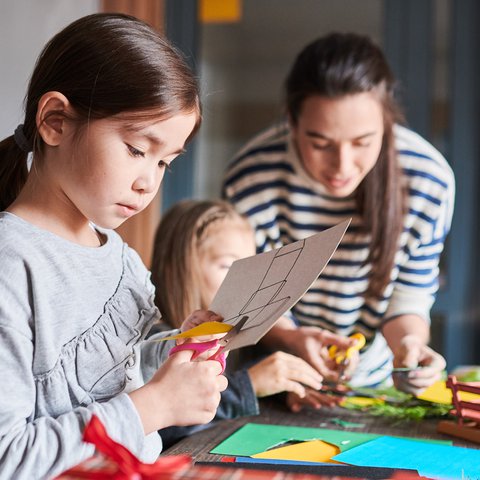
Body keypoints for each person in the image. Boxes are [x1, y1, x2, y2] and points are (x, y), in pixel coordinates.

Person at [0, 13, 229, 479]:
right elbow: (10, 456)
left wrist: (176, 354)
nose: (149, 183)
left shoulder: (120, 258)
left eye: (165, 161)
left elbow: (108, 378)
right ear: (55, 122)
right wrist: (155, 406)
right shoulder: (12, 264)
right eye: (136, 149)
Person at [223, 32, 455, 394]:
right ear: (291, 121)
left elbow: (410, 295)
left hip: (375, 382)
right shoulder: (252, 178)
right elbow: (254, 300)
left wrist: (409, 345)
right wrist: (293, 337)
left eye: (363, 142)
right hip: (284, 378)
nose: (341, 165)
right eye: (320, 143)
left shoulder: (427, 180)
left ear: (388, 124)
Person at [150, 199, 342, 447]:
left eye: (251, 267)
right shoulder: (155, 343)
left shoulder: (235, 335)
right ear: (179, 268)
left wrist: (281, 387)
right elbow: (165, 424)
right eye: (228, 266)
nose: (247, 282)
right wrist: (248, 386)